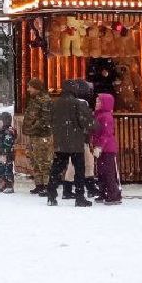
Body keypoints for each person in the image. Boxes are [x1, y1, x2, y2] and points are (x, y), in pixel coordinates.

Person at [47, 79, 94, 207]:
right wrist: (95, 123)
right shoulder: (78, 104)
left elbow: (50, 121)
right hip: (76, 144)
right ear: (74, 90)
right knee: (79, 171)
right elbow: (87, 123)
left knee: (56, 169)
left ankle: (51, 195)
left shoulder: (55, 104)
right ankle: (79, 198)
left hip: (60, 143)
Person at [22, 77, 55, 196]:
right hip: (34, 136)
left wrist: (34, 127)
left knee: (45, 162)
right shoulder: (34, 100)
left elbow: (45, 120)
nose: (28, 89)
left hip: (42, 137)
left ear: (36, 88)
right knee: (35, 161)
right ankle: (39, 185)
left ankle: (47, 186)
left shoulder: (45, 100)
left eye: (30, 87)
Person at [90, 92, 122, 205]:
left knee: (109, 172)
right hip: (102, 148)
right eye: (97, 101)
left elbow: (106, 134)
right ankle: (103, 192)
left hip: (107, 149)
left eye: (99, 101)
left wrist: (99, 146)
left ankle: (114, 194)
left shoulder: (106, 116)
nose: (96, 103)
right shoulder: (98, 115)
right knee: (101, 172)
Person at [0, 112, 16, 193]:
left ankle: (9, 186)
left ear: (6, 121)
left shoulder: (8, 131)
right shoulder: (2, 131)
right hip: (2, 154)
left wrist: (4, 152)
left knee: (8, 170)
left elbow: (8, 143)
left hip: (7, 154)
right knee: (1, 169)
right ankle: (3, 185)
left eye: (1, 121)